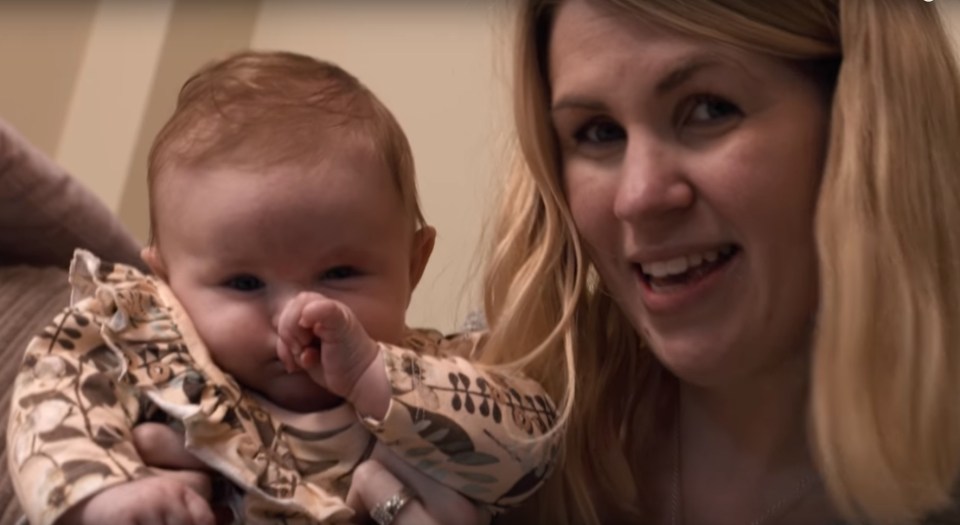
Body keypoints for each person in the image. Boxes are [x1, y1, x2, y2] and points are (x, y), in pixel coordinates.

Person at [111, 1, 960, 524]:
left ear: (859, 123)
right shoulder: (511, 389)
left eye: (707, 108)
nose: (636, 195)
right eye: (594, 132)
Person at [6, 50, 558, 525]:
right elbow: (55, 398)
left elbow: (532, 442)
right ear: (166, 282)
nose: (298, 313)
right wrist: (107, 494)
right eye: (244, 282)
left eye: (340, 273)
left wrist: (374, 377)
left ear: (414, 264)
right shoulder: (148, 344)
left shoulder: (441, 369)